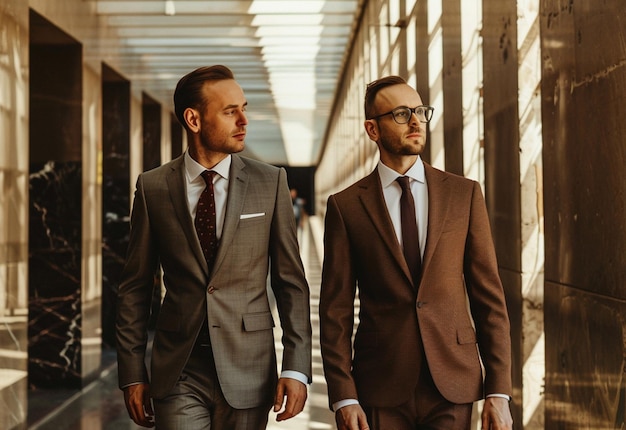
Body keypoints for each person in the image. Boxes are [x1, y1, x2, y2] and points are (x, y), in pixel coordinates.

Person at [116, 65, 312, 429]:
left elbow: (291, 283)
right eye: (229, 111)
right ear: (193, 119)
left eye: (244, 108)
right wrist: (131, 372)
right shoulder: (153, 187)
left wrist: (297, 366)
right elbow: (135, 287)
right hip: (179, 368)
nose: (244, 120)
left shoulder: (270, 182)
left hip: (248, 366)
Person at [319, 75, 513, 430]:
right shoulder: (346, 206)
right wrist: (343, 395)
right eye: (401, 113)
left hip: (454, 381)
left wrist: (498, 391)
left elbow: (489, 298)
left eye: (421, 111)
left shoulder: (464, 194)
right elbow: (335, 309)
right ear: (372, 129)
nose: (416, 121)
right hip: (380, 382)